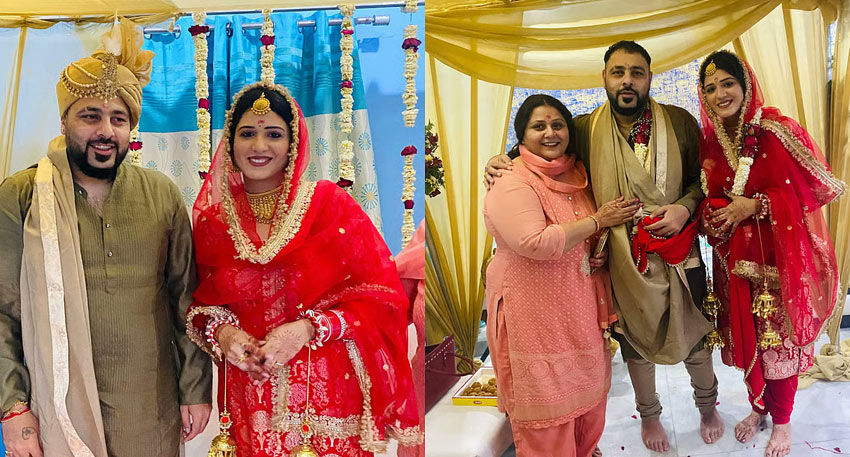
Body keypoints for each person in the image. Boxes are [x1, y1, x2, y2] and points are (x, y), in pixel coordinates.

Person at [485, 41, 724, 452]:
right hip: (620, 255)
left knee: (696, 337)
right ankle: (649, 416)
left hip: (677, 248)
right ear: (604, 78)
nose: (627, 81)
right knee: (634, 343)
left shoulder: (681, 122)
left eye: (636, 72)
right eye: (618, 72)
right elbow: (535, 154)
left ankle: (708, 406)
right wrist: (496, 162)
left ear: (650, 78)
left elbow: (700, 185)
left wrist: (685, 210)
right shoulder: (583, 127)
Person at [0, 20, 212, 457]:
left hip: (149, 408)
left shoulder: (161, 194)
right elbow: (2, 311)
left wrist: (195, 387)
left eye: (118, 119)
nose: (105, 131)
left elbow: (185, 300)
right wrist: (13, 407)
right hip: (56, 406)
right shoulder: (21, 195)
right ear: (64, 121)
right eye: (89, 116)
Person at [186, 81, 422, 457]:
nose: (259, 146)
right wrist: (225, 334)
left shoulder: (329, 206)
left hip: (324, 397)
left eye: (273, 134)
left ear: (292, 143)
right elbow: (200, 306)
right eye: (247, 133)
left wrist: (308, 328)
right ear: (230, 145)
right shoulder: (215, 221)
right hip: (251, 396)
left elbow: (381, 298)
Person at [697, 50, 844, 457]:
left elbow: (816, 190)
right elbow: (707, 199)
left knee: (778, 346)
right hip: (734, 266)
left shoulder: (777, 131)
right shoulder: (709, 144)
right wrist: (714, 216)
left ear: (745, 85)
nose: (720, 93)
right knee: (748, 344)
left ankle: (782, 422)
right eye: (710, 88)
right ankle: (758, 408)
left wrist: (757, 205)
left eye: (728, 83)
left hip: (779, 263)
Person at [483, 94, 634, 456]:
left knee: (586, 398)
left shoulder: (578, 172)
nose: (550, 133)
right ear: (522, 134)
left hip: (576, 307)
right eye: (538, 126)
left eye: (557, 125)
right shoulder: (511, 179)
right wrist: (599, 221)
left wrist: (597, 249)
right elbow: (533, 241)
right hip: (531, 313)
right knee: (547, 411)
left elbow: (583, 231)